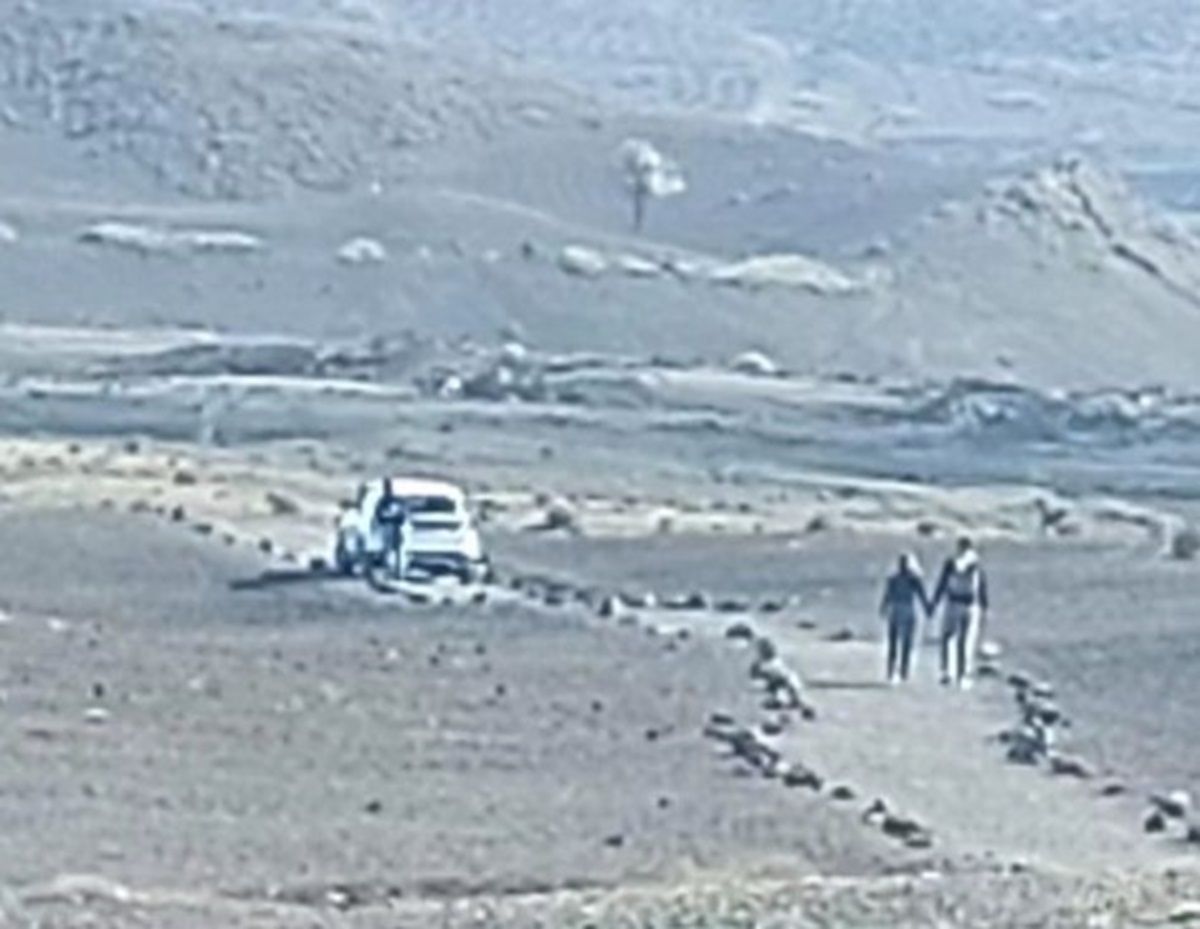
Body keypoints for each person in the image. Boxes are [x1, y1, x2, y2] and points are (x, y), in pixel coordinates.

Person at [931, 537, 989, 689]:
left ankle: (949, 672)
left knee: (950, 638)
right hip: (969, 604)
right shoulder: (975, 565)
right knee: (962, 641)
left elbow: (942, 583)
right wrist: (984, 606)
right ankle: (960, 674)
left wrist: (934, 603)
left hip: (956, 603)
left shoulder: (953, 563)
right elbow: (981, 586)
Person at [879, 553, 930, 684]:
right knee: (898, 642)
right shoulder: (910, 578)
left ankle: (899, 671)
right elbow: (922, 595)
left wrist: (883, 607)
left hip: (901, 609)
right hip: (903, 609)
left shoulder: (900, 578)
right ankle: (897, 671)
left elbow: (887, 595)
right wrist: (927, 608)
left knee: (901, 642)